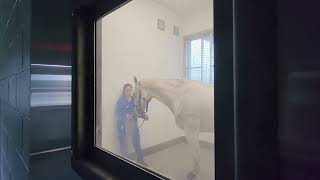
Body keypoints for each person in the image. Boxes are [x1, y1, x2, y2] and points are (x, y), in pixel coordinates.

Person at [115, 83, 148, 166]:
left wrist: (143, 115)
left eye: (130, 90)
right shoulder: (120, 100)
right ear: (124, 91)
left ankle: (140, 159)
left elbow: (137, 111)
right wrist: (125, 115)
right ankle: (125, 161)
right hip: (122, 125)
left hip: (133, 123)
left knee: (136, 141)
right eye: (127, 90)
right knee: (123, 142)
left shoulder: (134, 100)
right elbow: (117, 113)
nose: (129, 92)